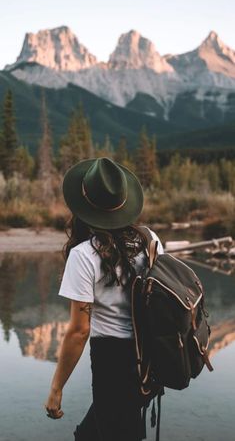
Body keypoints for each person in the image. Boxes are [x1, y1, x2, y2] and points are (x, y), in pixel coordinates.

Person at [44, 157, 164, 441]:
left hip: (112, 361)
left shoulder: (85, 255)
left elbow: (78, 331)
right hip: (149, 358)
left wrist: (56, 388)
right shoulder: (150, 240)